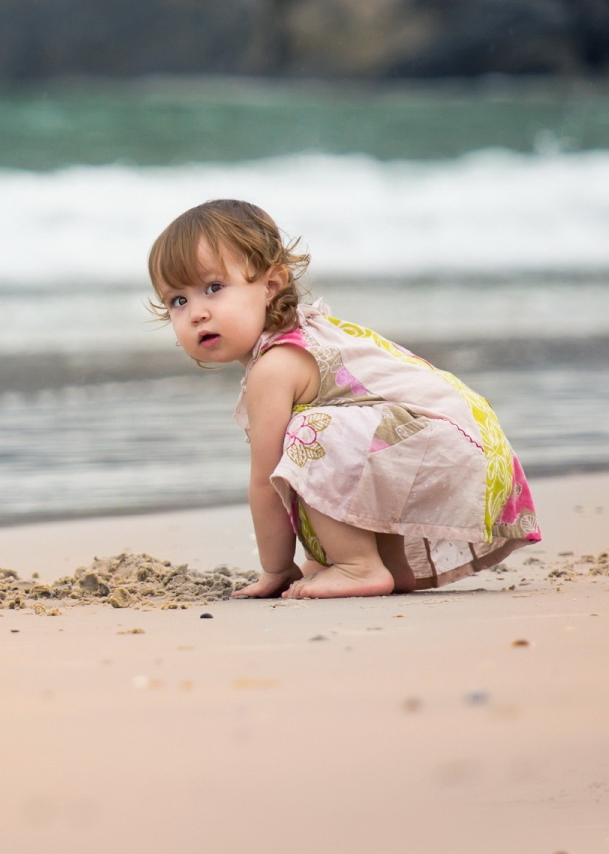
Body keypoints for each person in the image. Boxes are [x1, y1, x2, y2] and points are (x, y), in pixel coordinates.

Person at [149, 199, 540, 598]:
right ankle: (390, 566)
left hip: (454, 451)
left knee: (308, 435)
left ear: (269, 285)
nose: (196, 312)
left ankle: (359, 567)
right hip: (471, 444)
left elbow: (266, 484)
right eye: (178, 301)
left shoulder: (275, 366)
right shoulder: (302, 336)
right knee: (328, 433)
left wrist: (277, 569)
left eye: (213, 288)